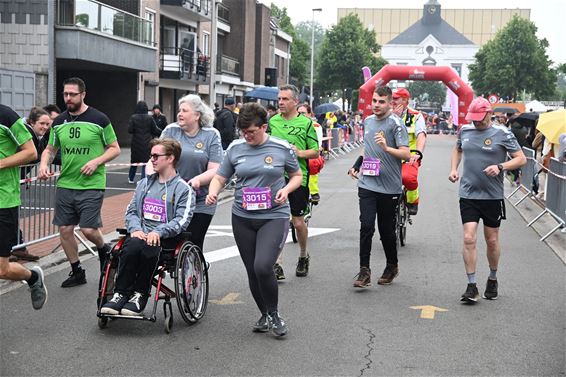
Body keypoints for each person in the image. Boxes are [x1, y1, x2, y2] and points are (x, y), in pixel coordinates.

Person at [206, 103, 302, 337]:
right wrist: (213, 191)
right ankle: (265, 313)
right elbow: (220, 176)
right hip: (243, 216)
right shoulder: (236, 149)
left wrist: (287, 190)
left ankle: (275, 314)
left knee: (263, 266)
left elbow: (296, 175)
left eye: (251, 131)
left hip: (273, 215)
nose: (247, 136)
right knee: (251, 270)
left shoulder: (280, 148)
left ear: (264, 127)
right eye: (243, 132)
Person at [38, 77, 121, 288]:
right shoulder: (58, 122)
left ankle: (105, 249)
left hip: (91, 184)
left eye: (72, 94)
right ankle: (77, 271)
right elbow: (50, 149)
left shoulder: (99, 119)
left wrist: (96, 161)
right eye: (65, 94)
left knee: (89, 230)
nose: (68, 98)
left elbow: (114, 148)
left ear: (83, 94)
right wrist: (43, 165)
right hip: (66, 184)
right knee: (65, 230)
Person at [101, 138, 195, 316]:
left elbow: (181, 220)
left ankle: (139, 294)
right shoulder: (144, 184)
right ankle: (120, 294)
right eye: (151, 156)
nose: (152, 159)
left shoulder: (184, 189)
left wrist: (158, 231)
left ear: (170, 158)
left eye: (156, 156)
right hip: (140, 234)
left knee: (150, 247)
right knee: (131, 246)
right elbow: (131, 212)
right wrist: (135, 229)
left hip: (165, 239)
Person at [448, 97, 526, 303]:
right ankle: (471, 285)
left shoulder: (503, 133)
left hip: (492, 196)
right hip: (468, 194)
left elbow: (521, 158)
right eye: (473, 119)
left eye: (480, 119)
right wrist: (454, 169)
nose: (476, 122)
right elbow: (458, 148)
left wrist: (500, 166)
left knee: (491, 240)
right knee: (468, 238)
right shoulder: (464, 131)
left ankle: (492, 278)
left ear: (490, 114)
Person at [348, 86, 410, 288]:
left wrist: (386, 148)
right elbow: (368, 149)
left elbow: (406, 154)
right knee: (366, 226)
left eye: (381, 101)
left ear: (390, 103)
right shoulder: (367, 121)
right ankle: (364, 271)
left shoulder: (396, 124)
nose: (376, 105)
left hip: (390, 186)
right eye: (374, 100)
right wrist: (357, 165)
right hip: (367, 182)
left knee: (386, 230)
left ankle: (392, 265)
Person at [150, 94, 222, 252]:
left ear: (197, 115)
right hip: (172, 196)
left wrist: (197, 180)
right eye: (179, 110)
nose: (179, 114)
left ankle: (196, 270)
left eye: (185, 110)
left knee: (194, 240)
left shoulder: (211, 134)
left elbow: (215, 169)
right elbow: (154, 159)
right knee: (169, 239)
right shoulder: (171, 131)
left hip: (201, 198)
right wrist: (149, 178)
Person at [268, 85, 319, 279]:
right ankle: (277, 264)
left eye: (285, 99)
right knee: (277, 221)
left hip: (298, 177)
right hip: (275, 177)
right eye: (279, 99)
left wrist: (298, 153)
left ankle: (303, 256)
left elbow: (315, 151)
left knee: (297, 222)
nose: (280, 102)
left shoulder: (305, 123)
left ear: (295, 102)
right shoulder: (272, 122)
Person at [0, 104, 47, 310]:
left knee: (2, 270)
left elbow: (30, 152)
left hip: (4, 200)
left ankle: (32, 277)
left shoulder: (6, 115)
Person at [11, 107, 53, 262]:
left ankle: (18, 247)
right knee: (9, 215)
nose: (45, 127)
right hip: (8, 180)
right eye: (42, 123)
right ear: (32, 122)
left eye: (47, 124)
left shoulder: (35, 136)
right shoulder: (27, 134)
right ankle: (17, 247)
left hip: (13, 181)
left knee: (11, 215)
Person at [391, 88, 426, 215]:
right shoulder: (386, 113)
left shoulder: (416, 115)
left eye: (395, 98)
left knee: (408, 178)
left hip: (409, 156)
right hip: (389, 154)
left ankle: (413, 200)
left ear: (405, 100)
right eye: (392, 98)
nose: (392, 101)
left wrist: (418, 153)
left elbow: (421, 135)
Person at [127, 101, 162, 184]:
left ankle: (131, 178)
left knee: (134, 161)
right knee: (145, 162)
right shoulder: (149, 118)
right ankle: (143, 179)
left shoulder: (133, 117)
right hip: (147, 142)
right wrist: (163, 132)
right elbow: (155, 129)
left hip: (136, 142)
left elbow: (130, 130)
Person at [297, 103, 323, 203]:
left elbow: (317, 146)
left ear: (310, 114)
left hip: (310, 155)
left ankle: (313, 191)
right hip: (294, 155)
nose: (301, 115)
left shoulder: (316, 126)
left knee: (312, 163)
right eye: (298, 113)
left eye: (303, 113)